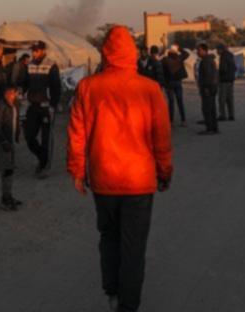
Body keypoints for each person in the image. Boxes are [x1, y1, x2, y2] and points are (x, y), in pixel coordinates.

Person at [67, 26, 172, 312]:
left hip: (104, 179)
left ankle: (112, 290)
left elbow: (77, 133)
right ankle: (128, 305)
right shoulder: (150, 90)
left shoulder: (88, 87)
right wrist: (164, 173)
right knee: (133, 247)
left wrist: (77, 171)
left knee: (109, 237)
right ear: (132, 54)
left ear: (105, 53)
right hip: (139, 181)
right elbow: (161, 138)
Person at [23, 40, 62, 177]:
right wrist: (19, 91)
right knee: (29, 137)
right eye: (33, 50)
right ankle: (42, 158)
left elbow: (56, 88)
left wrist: (53, 105)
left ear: (43, 51)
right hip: (32, 106)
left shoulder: (51, 65)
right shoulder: (30, 65)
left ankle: (44, 167)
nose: (34, 53)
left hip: (46, 108)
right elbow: (25, 83)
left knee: (46, 139)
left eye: (37, 50)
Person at [0, 86, 23, 211]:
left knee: (10, 169)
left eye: (13, 93)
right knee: (7, 169)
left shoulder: (15, 105)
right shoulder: (1, 106)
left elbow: (16, 121)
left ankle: (8, 196)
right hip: (3, 143)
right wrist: (3, 141)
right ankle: (5, 199)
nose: (11, 96)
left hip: (10, 141)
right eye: (8, 93)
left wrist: (16, 135)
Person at [161, 44, 189, 126]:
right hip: (178, 82)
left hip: (169, 83)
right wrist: (179, 48)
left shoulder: (165, 60)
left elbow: (159, 63)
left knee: (171, 102)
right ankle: (183, 120)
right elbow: (187, 54)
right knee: (180, 101)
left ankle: (171, 121)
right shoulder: (179, 58)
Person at [196, 43, 219, 135]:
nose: (197, 52)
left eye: (199, 50)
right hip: (212, 87)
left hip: (208, 88)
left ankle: (209, 128)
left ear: (204, 50)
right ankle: (214, 128)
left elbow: (208, 76)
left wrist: (206, 88)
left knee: (207, 109)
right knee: (212, 108)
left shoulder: (205, 61)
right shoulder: (210, 60)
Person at [216, 43, 236, 121]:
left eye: (217, 50)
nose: (217, 52)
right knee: (230, 98)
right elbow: (234, 67)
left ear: (221, 49)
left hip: (224, 80)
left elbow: (223, 69)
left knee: (222, 98)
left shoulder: (223, 56)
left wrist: (218, 74)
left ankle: (222, 115)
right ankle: (231, 115)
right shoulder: (231, 55)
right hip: (231, 80)